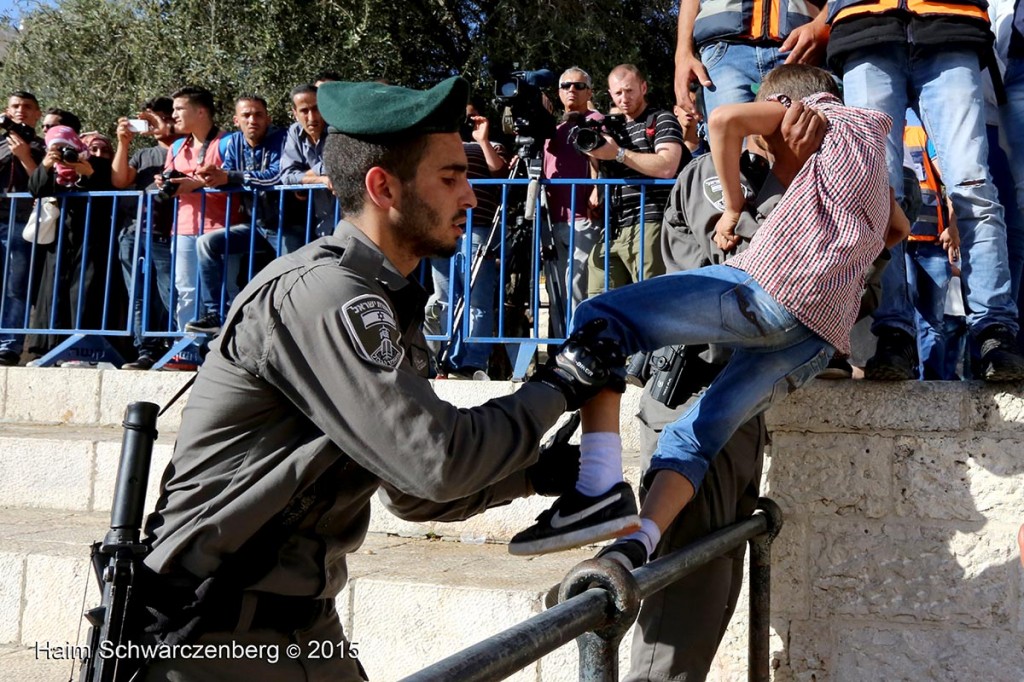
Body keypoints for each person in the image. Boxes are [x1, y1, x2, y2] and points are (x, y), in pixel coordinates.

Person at [137, 76, 623, 682]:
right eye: (450, 178)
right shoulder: (327, 296)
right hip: (208, 634)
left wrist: (537, 472)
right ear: (382, 186)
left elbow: (413, 491)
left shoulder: (384, 298)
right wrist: (559, 386)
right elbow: (434, 462)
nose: (471, 198)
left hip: (301, 629)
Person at [509, 64, 911, 560]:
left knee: (599, 316)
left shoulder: (805, 114)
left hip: (771, 288)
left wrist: (733, 206)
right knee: (694, 435)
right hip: (814, 338)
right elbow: (897, 229)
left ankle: (598, 487)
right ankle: (635, 545)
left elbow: (722, 121)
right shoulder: (868, 153)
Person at [621, 98, 827, 682]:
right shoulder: (718, 174)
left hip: (733, 405)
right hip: (692, 393)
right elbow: (736, 280)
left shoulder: (799, 182)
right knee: (682, 600)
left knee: (713, 581)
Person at [826, 0, 1024, 382]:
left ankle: (995, 333)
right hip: (864, 25)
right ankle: (894, 333)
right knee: (875, 194)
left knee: (972, 185)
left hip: (952, 22)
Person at [185, 94, 288, 335]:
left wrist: (230, 177)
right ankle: (214, 314)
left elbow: (277, 175)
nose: (253, 120)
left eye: (258, 114)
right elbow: (226, 175)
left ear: (268, 118)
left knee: (292, 270)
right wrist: (211, 175)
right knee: (206, 243)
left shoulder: (282, 138)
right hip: (256, 225)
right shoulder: (234, 144)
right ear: (236, 120)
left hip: (287, 224)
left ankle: (293, 322)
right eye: (246, 115)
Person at [426, 98, 508, 379]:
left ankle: (472, 362)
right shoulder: (434, 145)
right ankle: (444, 359)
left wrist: (482, 139)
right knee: (445, 296)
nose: (463, 121)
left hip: (477, 226)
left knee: (476, 298)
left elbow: (500, 171)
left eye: (469, 117)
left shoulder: (491, 144)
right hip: (439, 225)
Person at [586, 64, 684, 295]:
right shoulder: (612, 128)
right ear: (610, 94)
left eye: (629, 91)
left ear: (643, 87)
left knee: (652, 300)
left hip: (650, 221)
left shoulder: (661, 119)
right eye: (618, 93)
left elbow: (667, 166)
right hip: (612, 227)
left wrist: (618, 154)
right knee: (600, 302)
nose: (624, 98)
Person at [28, 124, 115, 350]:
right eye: (57, 148)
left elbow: (106, 195)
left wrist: (88, 174)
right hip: (59, 237)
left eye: (68, 147)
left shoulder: (97, 165)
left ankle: (81, 346)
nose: (65, 153)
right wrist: (46, 165)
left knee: (84, 288)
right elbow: (36, 189)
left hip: (91, 234)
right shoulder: (51, 168)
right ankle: (47, 346)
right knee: (53, 287)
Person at [673, 0, 829, 120]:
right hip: (724, 53)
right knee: (733, 155)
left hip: (800, 49)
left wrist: (821, 24)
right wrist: (682, 55)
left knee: (815, 153)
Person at [157, 86, 233, 332]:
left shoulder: (227, 142)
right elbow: (173, 180)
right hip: (183, 227)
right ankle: (186, 349)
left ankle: (227, 351)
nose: (174, 115)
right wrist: (165, 182)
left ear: (201, 112)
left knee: (226, 290)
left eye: (179, 108)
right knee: (186, 289)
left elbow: (233, 178)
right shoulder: (177, 146)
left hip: (221, 228)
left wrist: (195, 184)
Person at [113, 97, 181, 370]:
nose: (152, 124)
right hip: (133, 232)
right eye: (148, 119)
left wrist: (167, 129)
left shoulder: (185, 148)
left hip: (170, 232)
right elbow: (119, 180)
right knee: (138, 295)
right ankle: (146, 351)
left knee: (169, 293)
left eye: (159, 117)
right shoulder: (142, 155)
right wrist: (123, 141)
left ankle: (177, 347)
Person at [542, 67, 603, 338]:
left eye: (578, 86)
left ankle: (578, 343)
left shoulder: (598, 121)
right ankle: (562, 344)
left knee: (577, 284)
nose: (571, 90)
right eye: (565, 85)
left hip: (583, 217)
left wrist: (596, 187)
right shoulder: (552, 131)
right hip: (553, 219)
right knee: (556, 288)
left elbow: (602, 161)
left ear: (589, 92)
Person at [0, 90, 44, 366]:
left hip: (20, 221)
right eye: (15, 106)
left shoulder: (42, 145)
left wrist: (25, 156)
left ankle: (8, 344)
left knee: (16, 286)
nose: (21, 111)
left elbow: (43, 182)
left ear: (37, 113)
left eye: (27, 107)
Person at [280, 83, 333, 241]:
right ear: (295, 113)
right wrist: (321, 179)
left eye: (316, 109)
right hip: (318, 224)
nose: (311, 117)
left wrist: (305, 175)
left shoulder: (336, 129)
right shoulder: (294, 132)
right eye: (304, 111)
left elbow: (335, 165)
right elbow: (287, 176)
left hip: (345, 220)